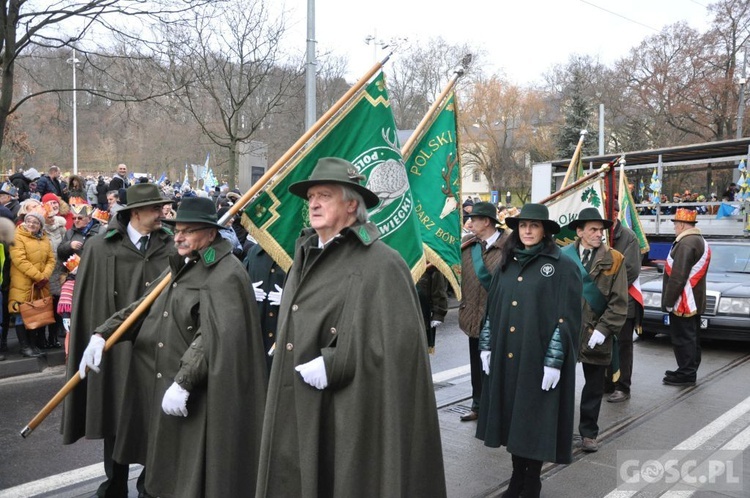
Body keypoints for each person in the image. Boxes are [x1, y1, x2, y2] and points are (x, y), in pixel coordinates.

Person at [255, 157, 446, 498]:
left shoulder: (383, 263)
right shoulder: (305, 253)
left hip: (350, 411)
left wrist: (336, 361)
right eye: (311, 196)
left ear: (352, 204)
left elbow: (399, 347)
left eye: (324, 195)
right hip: (298, 401)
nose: (313, 203)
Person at [78, 197, 267, 498]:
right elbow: (144, 307)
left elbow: (213, 335)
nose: (178, 237)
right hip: (162, 386)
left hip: (195, 394)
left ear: (210, 234)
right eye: (177, 229)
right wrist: (103, 334)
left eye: (188, 231)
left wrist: (184, 381)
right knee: (161, 468)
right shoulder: (184, 264)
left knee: (187, 473)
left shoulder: (225, 273)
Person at [62, 183, 175, 498]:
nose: (162, 213)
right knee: (116, 415)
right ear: (135, 212)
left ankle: (148, 486)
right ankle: (114, 485)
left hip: (157, 346)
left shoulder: (170, 246)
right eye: (155, 208)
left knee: (155, 418)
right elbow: (89, 301)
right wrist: (93, 337)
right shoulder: (101, 246)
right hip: (114, 348)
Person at [476, 203, 582, 498]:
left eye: (534, 226)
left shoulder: (563, 267)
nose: (527, 231)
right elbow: (492, 308)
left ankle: (531, 480)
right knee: (513, 419)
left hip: (538, 359)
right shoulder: (507, 264)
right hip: (508, 356)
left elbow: (569, 319)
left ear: (545, 231)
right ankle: (516, 477)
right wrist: (486, 344)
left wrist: (554, 359)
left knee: (533, 420)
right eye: (523, 226)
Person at [562, 207, 627, 453]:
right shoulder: (562, 256)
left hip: (596, 333)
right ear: (579, 232)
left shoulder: (615, 259)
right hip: (567, 330)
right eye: (593, 229)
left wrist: (604, 329)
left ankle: (589, 433)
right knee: (561, 384)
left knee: (593, 388)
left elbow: (619, 302)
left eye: (601, 229)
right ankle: (560, 430)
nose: (599, 234)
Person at [459, 201, 509, 422]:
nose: (469, 223)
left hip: (498, 318)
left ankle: (498, 408)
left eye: (474, 219)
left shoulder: (509, 247)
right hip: (472, 315)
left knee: (497, 366)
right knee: (476, 364)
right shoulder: (467, 246)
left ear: (487, 222)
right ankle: (478, 405)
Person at [662, 208, 711, 386]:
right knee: (692, 336)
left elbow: (678, 276)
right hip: (693, 298)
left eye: (676, 224)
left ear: (682, 225)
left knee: (683, 337)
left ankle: (686, 373)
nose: (675, 228)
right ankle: (687, 369)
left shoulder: (686, 243)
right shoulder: (698, 240)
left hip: (684, 300)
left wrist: (668, 302)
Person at [606, 205, 642, 403]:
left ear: (615, 213)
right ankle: (608, 381)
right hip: (601, 303)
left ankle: (623, 386)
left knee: (623, 346)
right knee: (602, 344)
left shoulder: (628, 237)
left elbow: (630, 270)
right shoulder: (597, 235)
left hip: (622, 302)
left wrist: (606, 288)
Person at [8, 212, 55, 358]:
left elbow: (51, 259)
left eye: (35, 222)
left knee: (35, 314)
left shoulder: (45, 238)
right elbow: (19, 260)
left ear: (40, 225)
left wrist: (45, 276)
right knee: (21, 313)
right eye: (29, 221)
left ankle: (33, 345)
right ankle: (25, 347)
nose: (31, 224)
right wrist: (40, 277)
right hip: (23, 282)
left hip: (40, 284)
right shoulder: (17, 236)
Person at [244, 243, 286, 374]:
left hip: (284, 339)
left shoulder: (299, 252)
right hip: (257, 338)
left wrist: (290, 297)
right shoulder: (253, 253)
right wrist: (246, 291)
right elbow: (234, 285)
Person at [416, 265, 448, 354]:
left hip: (423, 312)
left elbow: (438, 285)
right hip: (400, 314)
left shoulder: (428, 257)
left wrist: (438, 312)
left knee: (420, 352)